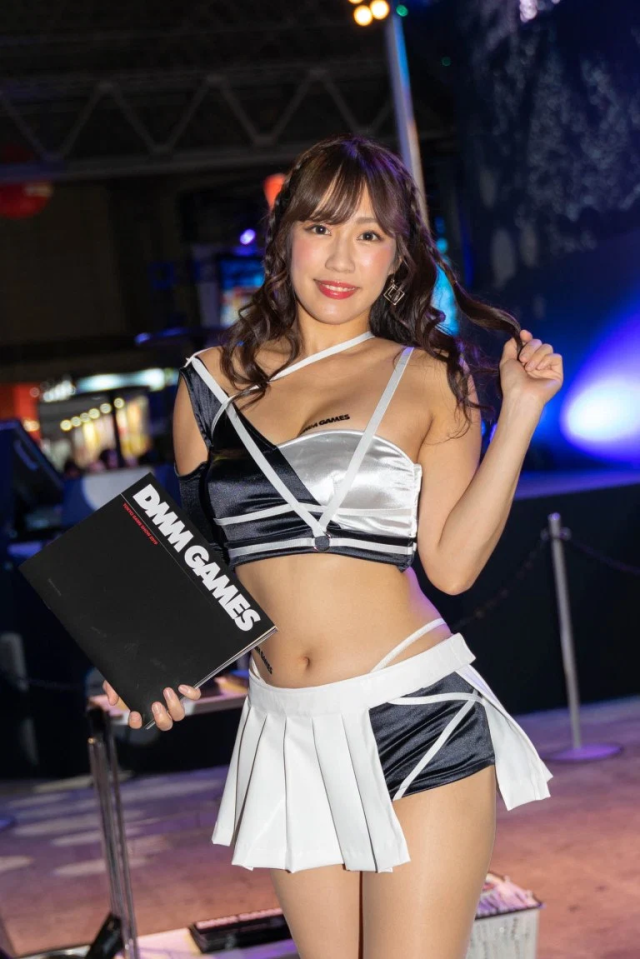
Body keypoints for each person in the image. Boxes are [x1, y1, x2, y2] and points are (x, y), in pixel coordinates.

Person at [103, 134, 562, 959]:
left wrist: (520, 413)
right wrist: (145, 663)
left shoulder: (430, 376)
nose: (342, 256)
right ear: (285, 236)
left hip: (415, 711)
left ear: (399, 256)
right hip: (286, 732)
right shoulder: (209, 382)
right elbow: (199, 565)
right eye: (321, 226)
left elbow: (453, 565)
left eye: (370, 234)